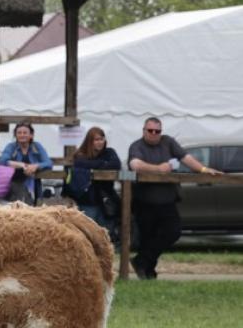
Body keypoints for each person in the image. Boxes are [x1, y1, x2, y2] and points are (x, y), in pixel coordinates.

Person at [127, 117, 222, 280]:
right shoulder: (137, 146)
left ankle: (141, 260)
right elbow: (135, 165)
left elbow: (186, 158)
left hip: (167, 200)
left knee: (173, 232)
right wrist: (158, 169)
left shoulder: (168, 142)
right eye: (150, 130)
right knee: (147, 237)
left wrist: (203, 169)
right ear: (144, 131)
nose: (154, 134)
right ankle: (148, 272)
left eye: (157, 131)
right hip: (144, 202)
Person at [67, 126, 122, 236]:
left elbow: (116, 164)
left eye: (102, 139)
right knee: (88, 233)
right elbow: (79, 163)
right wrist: (102, 163)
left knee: (106, 234)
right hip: (88, 200)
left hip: (106, 200)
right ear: (90, 141)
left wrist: (94, 166)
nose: (100, 142)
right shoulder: (81, 154)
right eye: (96, 139)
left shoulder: (109, 152)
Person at [0, 122, 53, 202]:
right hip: (13, 183)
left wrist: (36, 166)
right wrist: (21, 165)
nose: (22, 135)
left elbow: (48, 163)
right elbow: (2, 161)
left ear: (31, 135)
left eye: (25, 133)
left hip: (33, 184)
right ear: (15, 135)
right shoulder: (11, 147)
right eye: (19, 133)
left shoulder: (36, 146)